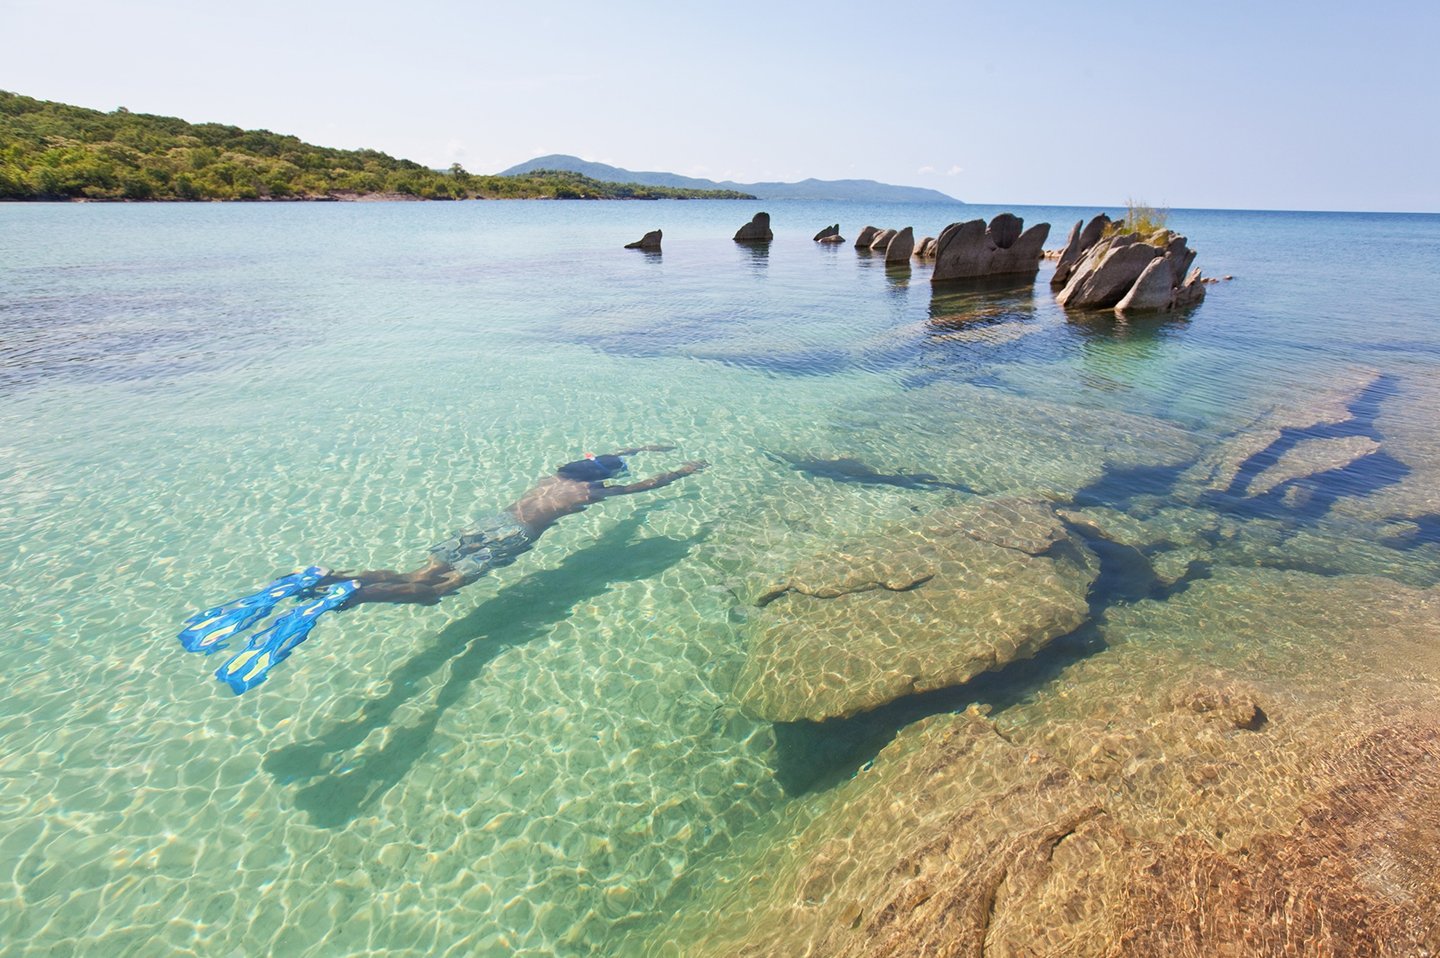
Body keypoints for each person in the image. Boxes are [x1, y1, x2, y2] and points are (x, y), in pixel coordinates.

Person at [178, 446, 707, 694]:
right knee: (435, 592)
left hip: (483, 522)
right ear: (598, 478)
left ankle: (328, 577)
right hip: (509, 537)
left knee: (419, 571)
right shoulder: (590, 491)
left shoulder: (556, 475)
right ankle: (348, 597)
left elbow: (603, 455)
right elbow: (641, 487)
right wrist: (680, 470)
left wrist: (633, 447)